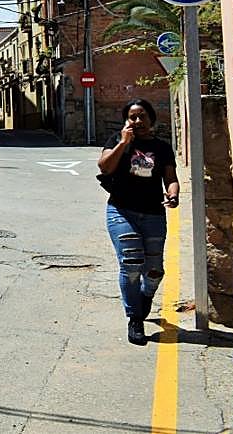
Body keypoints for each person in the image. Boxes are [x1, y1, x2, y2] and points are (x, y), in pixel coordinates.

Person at [98, 98, 180, 345]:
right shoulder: (117, 141)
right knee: (132, 264)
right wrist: (124, 143)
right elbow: (104, 167)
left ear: (151, 119)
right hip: (121, 211)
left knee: (154, 271)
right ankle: (135, 318)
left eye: (142, 116)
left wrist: (173, 195)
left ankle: (145, 297)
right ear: (126, 121)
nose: (137, 121)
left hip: (153, 213)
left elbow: (171, 178)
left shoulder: (162, 147)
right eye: (132, 117)